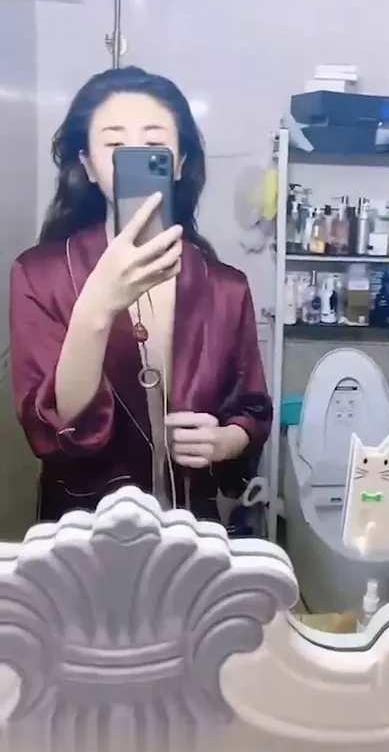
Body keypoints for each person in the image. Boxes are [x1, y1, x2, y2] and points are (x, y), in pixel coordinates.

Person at [9, 66, 272, 522]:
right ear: (88, 165)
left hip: (192, 524)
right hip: (86, 527)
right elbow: (51, 430)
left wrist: (226, 441)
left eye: (154, 143)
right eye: (114, 144)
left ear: (179, 162)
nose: (133, 157)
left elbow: (252, 408)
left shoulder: (225, 287)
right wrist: (96, 306)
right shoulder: (39, 276)